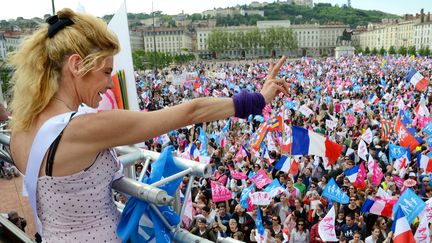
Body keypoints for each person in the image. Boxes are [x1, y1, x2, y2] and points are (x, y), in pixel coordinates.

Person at [8, 8, 289, 242]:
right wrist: (258, 99)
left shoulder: (21, 128)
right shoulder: (84, 128)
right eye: (106, 71)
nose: (109, 84)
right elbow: (189, 112)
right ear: (76, 65)